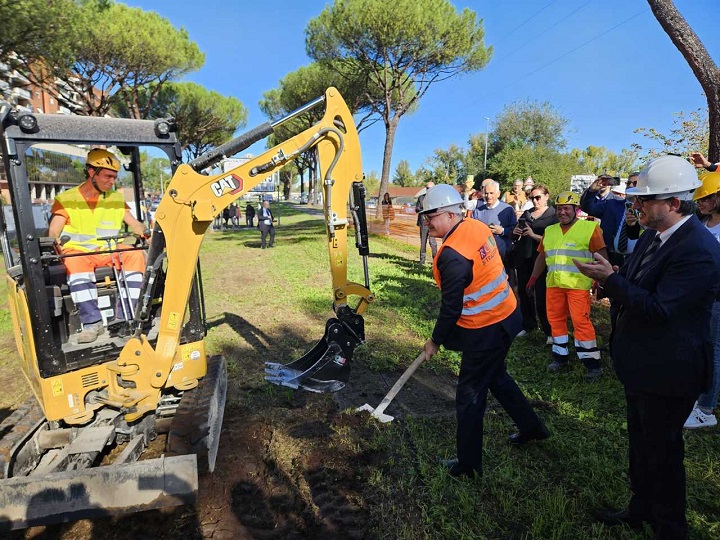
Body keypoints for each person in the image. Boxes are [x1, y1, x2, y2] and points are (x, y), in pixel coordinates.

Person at [574, 155, 720, 539]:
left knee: (664, 454)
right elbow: (638, 282)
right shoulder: (654, 234)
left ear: (674, 203)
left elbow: (659, 309)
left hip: (670, 370)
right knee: (641, 446)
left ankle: (671, 529)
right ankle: (640, 508)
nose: (635, 206)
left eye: (644, 200)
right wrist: (611, 277)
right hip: (641, 364)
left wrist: (612, 280)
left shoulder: (699, 250)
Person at [419, 184, 549, 479]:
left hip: (487, 330)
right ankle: (532, 427)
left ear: (452, 215)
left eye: (432, 215)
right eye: (425, 216)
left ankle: (468, 466)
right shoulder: (475, 226)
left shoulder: (452, 255)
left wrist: (435, 341)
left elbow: (451, 309)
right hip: (508, 315)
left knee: (469, 395)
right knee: (498, 378)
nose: (428, 222)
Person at [48, 149, 147, 344]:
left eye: (114, 177)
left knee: (135, 255)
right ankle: (92, 323)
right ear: (91, 172)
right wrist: (54, 241)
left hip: (107, 251)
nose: (112, 181)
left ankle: (125, 318)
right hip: (79, 252)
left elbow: (135, 224)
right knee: (74, 261)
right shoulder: (67, 199)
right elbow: (53, 231)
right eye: (108, 176)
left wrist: (145, 232)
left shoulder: (116, 199)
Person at [527, 191, 607, 381]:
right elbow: (542, 256)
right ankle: (559, 356)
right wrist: (533, 277)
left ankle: (591, 363)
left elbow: (601, 254)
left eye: (567, 209)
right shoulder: (550, 231)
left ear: (576, 210)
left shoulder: (590, 228)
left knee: (581, 322)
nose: (563, 212)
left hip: (578, 285)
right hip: (554, 284)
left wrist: (602, 278)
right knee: (555, 320)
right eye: (560, 209)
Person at [684, 170, 720, 429]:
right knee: (702, 347)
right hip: (700, 296)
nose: (700, 203)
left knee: (714, 350)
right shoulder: (704, 223)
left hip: (717, 297)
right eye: (699, 200)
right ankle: (699, 397)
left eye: (706, 198)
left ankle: (706, 409)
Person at [511, 185, 557, 342]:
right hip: (524, 258)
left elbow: (554, 241)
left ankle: (549, 330)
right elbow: (516, 233)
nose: (535, 201)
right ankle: (528, 324)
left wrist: (533, 235)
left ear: (546, 196)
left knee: (543, 294)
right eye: (532, 198)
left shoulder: (553, 215)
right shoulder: (527, 213)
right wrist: (515, 232)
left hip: (543, 259)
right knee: (524, 292)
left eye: (538, 197)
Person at [471, 180, 517, 258]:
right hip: (484, 254)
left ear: (498, 194)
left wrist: (502, 231)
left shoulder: (507, 209)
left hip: (503, 253)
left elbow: (515, 231)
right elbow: (472, 231)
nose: (488, 196)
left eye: (491, 193)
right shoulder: (478, 211)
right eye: (486, 193)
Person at [415, 181, 438, 264]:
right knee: (423, 242)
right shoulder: (421, 197)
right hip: (423, 222)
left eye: (431, 188)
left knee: (433, 242)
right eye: (427, 188)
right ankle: (422, 260)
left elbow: (437, 210)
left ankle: (435, 260)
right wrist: (424, 211)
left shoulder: (436, 199)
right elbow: (417, 209)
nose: (429, 190)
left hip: (432, 223)